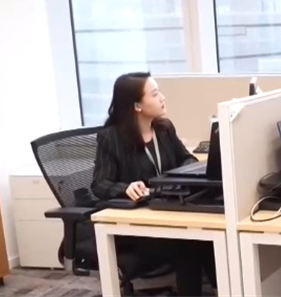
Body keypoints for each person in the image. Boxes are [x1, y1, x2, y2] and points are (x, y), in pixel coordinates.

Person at [92, 71, 216, 296]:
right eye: (155, 94)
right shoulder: (111, 138)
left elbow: (186, 159)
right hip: (137, 226)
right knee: (191, 244)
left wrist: (184, 173)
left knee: (210, 235)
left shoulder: (163, 129)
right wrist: (125, 188)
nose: (162, 98)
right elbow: (100, 183)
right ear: (137, 105)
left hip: (168, 213)